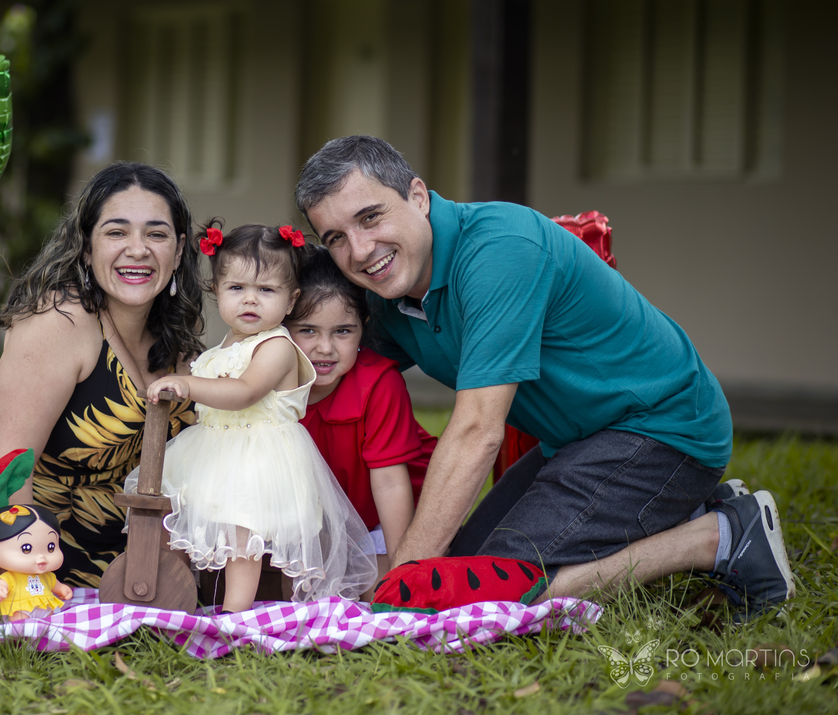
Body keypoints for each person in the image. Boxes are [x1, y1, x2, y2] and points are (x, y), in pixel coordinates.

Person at [295, 135, 793, 618]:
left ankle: (718, 537)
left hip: (664, 429)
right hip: (576, 445)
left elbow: (477, 431)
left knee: (477, 592)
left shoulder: (498, 251)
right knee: (457, 567)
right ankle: (681, 512)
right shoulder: (390, 296)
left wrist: (396, 591)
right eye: (336, 238)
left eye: (371, 217)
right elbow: (320, 369)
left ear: (419, 197)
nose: (360, 250)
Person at [135, 222, 377, 612]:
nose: (250, 300)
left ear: (290, 300)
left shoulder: (277, 345)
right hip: (217, 454)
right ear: (216, 291)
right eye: (237, 288)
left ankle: (236, 610)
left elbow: (245, 392)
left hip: (260, 460)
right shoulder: (225, 345)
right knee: (176, 512)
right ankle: (176, 594)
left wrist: (188, 384)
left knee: (241, 535)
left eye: (266, 290)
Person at [0, 162, 206, 589]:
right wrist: (27, 586)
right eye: (116, 232)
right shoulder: (61, 320)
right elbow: (8, 467)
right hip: (55, 576)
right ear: (87, 247)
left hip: (150, 583)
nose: (138, 250)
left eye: (156, 234)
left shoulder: (179, 348)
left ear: (178, 251)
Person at [285, 247, 436, 584]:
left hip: (389, 517)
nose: (325, 348)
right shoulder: (265, 386)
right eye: (307, 330)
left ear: (362, 328)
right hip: (318, 523)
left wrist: (401, 572)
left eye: (342, 331)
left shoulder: (378, 384)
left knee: (376, 592)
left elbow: (390, 484)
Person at [0, 504, 74, 619]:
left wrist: (62, 589)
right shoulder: (10, 577)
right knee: (20, 625)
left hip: (46, 609)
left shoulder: (48, 576)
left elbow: (55, 585)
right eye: (26, 549)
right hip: (21, 610)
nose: (42, 557)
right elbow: (2, 585)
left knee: (49, 623)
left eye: (51, 547)